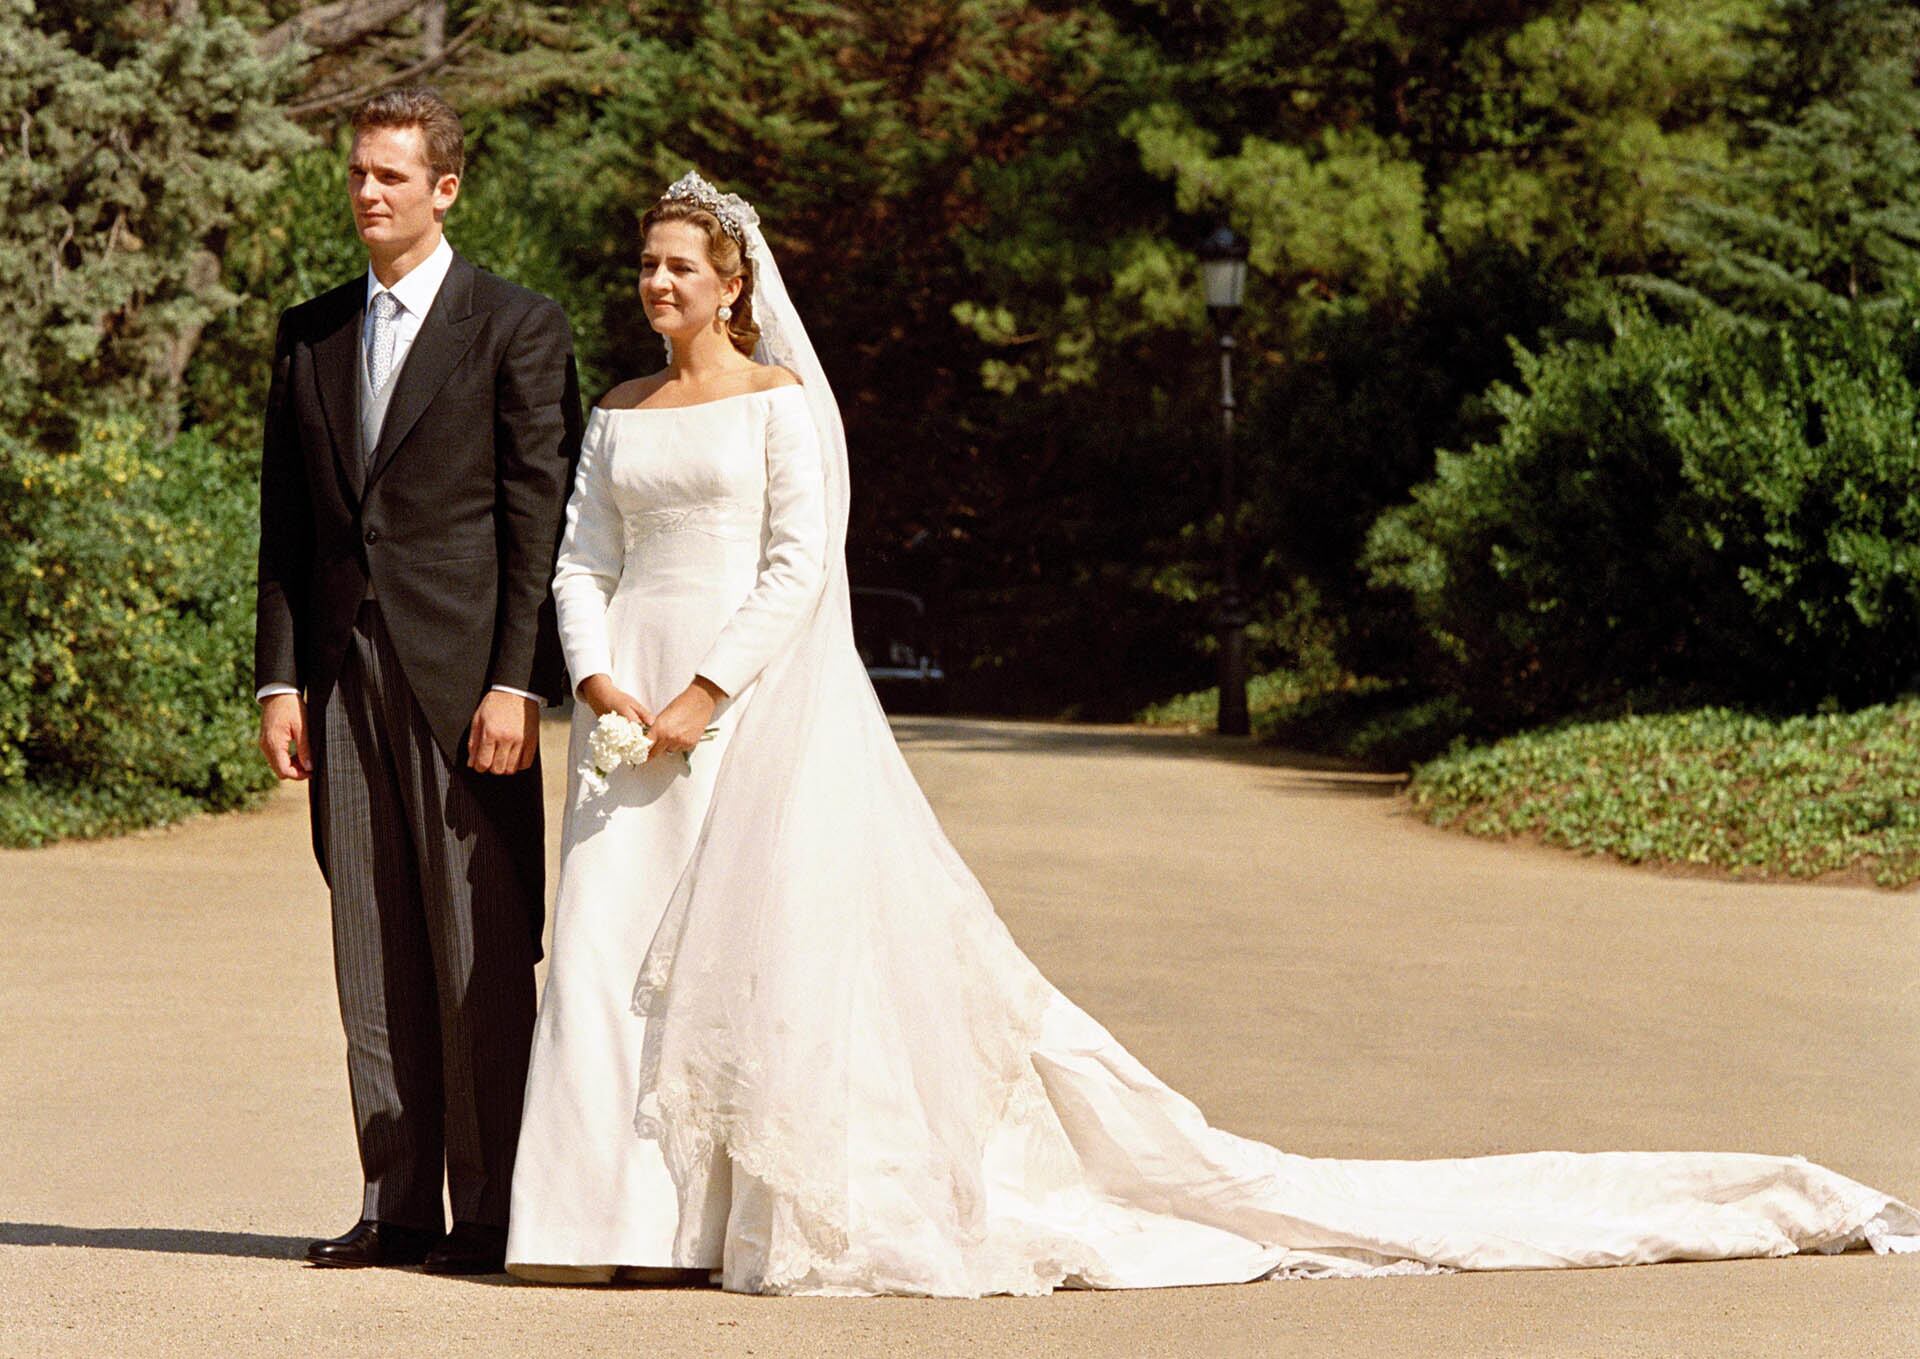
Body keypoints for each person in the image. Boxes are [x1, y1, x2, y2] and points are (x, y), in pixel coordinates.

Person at [506, 173, 1918, 1295]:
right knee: (614, 966)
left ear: (734, 279)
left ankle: (721, 1221)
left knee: (748, 961)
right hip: (628, 717)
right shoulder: (623, 410)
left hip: (745, 717)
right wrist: (601, 676)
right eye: (644, 264)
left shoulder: (782, 407)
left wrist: (706, 693)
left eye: (676, 264)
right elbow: (580, 553)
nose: (654, 284)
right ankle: (608, 1214)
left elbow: (800, 571)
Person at [254, 87, 581, 1276]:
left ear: (446, 188)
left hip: (467, 682)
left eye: (392, 174)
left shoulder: (518, 326)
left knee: (480, 947)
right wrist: (278, 684)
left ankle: (493, 1211)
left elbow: (538, 521)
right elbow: (284, 527)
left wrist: (518, 683)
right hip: (342, 674)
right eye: (357, 171)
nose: (367, 191)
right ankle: (395, 1205)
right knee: (372, 940)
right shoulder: (310, 332)